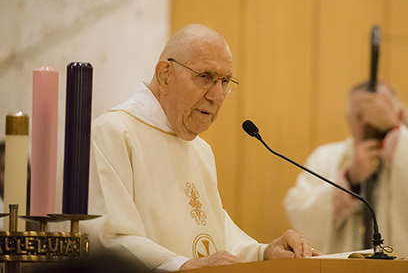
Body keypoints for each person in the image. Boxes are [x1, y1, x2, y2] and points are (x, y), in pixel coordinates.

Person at [85, 24, 320, 271]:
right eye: (205, 77)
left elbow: (217, 236)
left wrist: (264, 252)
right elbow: (105, 239)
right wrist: (183, 266)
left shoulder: (201, 150)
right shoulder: (112, 133)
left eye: (225, 81)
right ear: (165, 74)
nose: (217, 96)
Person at [283, 81, 408, 258]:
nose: (369, 122)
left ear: (398, 114)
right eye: (361, 116)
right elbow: (299, 210)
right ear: (348, 119)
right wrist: (350, 180)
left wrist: (393, 130)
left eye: (379, 114)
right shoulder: (325, 157)